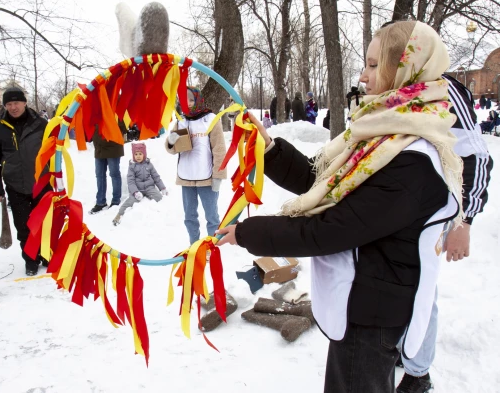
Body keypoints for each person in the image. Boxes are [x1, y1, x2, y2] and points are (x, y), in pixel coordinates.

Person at [216, 21, 463, 392]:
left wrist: (248, 232)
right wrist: (269, 148)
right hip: (362, 302)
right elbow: (324, 183)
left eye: (374, 64)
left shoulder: (411, 158)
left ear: (404, 69)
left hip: (373, 316)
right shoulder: (381, 136)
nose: (363, 76)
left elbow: (329, 229)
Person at [394, 73, 494, 393]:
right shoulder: (392, 88)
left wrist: (465, 222)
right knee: (394, 284)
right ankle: (402, 348)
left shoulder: (442, 87)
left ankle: (418, 373)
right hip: (392, 211)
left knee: (420, 291)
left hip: (431, 211)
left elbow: (476, 155)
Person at [0, 87, 48, 276]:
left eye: (16, 103)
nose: (13, 107)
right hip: (15, 185)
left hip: (42, 183)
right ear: (5, 106)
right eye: (9, 104)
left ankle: (46, 254)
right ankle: (31, 259)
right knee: (23, 226)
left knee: (46, 223)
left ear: (24, 102)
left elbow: (55, 151)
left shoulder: (41, 124)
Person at [166, 86, 226, 244]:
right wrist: (173, 139)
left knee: (211, 215)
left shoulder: (211, 119)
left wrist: (218, 176)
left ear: (198, 100)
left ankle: (211, 246)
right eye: (184, 100)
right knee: (189, 216)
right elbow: (170, 148)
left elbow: (219, 149)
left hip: (206, 178)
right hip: (186, 176)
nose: (188, 103)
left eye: (191, 99)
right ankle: (194, 245)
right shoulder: (181, 121)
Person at [112, 142, 167, 226]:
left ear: (144, 154)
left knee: (159, 198)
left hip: (149, 188)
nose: (138, 156)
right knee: (129, 202)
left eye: (140, 154)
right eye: (136, 154)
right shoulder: (132, 166)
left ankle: (160, 214)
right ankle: (119, 215)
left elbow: (156, 177)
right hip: (137, 189)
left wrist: (162, 188)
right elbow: (130, 181)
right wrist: (135, 192)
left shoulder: (149, 164)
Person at [90, 120, 127, 214]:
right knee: (99, 175)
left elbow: (123, 128)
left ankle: (116, 201)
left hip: (113, 147)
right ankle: (100, 202)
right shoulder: (96, 111)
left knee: (114, 174)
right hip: (99, 148)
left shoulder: (116, 112)